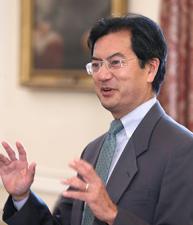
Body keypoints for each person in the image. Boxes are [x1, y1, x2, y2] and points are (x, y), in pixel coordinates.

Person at [0, 13, 193, 225]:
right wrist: (22, 197)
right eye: (97, 64)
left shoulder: (183, 149)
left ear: (150, 69)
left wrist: (113, 214)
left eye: (115, 62)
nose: (101, 75)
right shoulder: (94, 150)